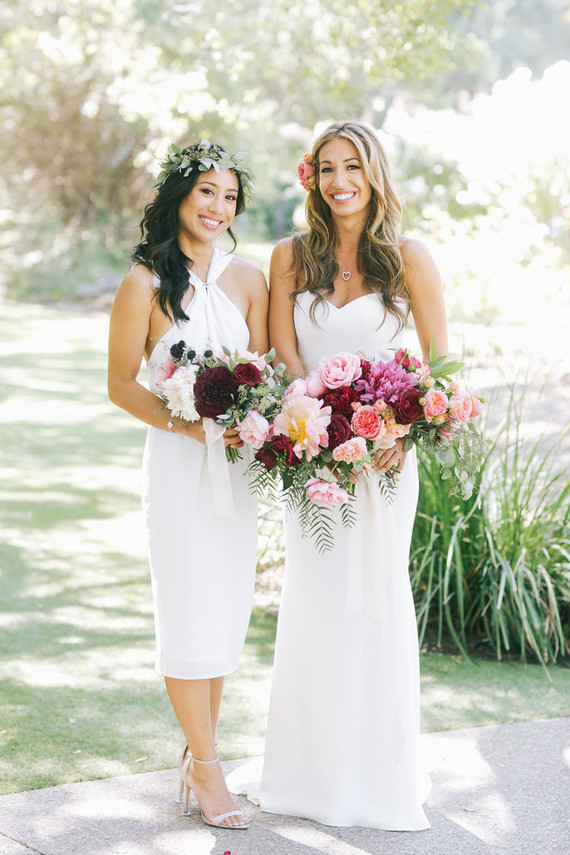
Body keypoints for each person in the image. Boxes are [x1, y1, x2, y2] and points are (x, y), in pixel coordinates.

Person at [260, 121, 447, 829]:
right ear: (312, 177)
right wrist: (309, 413)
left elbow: (434, 366)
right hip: (312, 462)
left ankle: (376, 771)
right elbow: (282, 347)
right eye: (328, 168)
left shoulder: (409, 259)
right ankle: (307, 768)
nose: (341, 182)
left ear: (374, 175)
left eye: (353, 168)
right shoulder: (289, 257)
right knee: (314, 603)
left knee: (373, 601)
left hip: (384, 466)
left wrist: (398, 426)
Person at [108, 139, 268, 830]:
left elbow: (263, 375)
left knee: (226, 605)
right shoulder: (144, 281)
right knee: (185, 603)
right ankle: (207, 768)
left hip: (237, 468)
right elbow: (120, 384)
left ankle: (197, 755)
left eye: (229, 196)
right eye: (207, 190)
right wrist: (189, 422)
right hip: (177, 466)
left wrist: (243, 425)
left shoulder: (249, 280)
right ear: (180, 194)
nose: (218, 206)